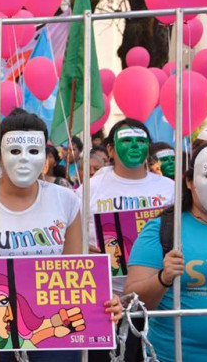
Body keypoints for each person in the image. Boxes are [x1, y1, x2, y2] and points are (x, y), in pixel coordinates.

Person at [0, 110, 121, 362]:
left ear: (45, 157)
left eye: (33, 152)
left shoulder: (66, 201)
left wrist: (102, 299)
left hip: (52, 330)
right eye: (14, 151)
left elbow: (76, 273)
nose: (24, 159)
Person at [77, 118, 174, 362]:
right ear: (110, 149)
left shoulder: (169, 189)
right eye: (126, 140)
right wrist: (80, 249)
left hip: (156, 299)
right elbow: (71, 232)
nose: (133, 146)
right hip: (104, 303)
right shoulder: (90, 188)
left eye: (140, 141)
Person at [125, 142, 207, 362]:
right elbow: (131, 300)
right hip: (175, 356)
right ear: (189, 182)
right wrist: (163, 278)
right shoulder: (164, 229)